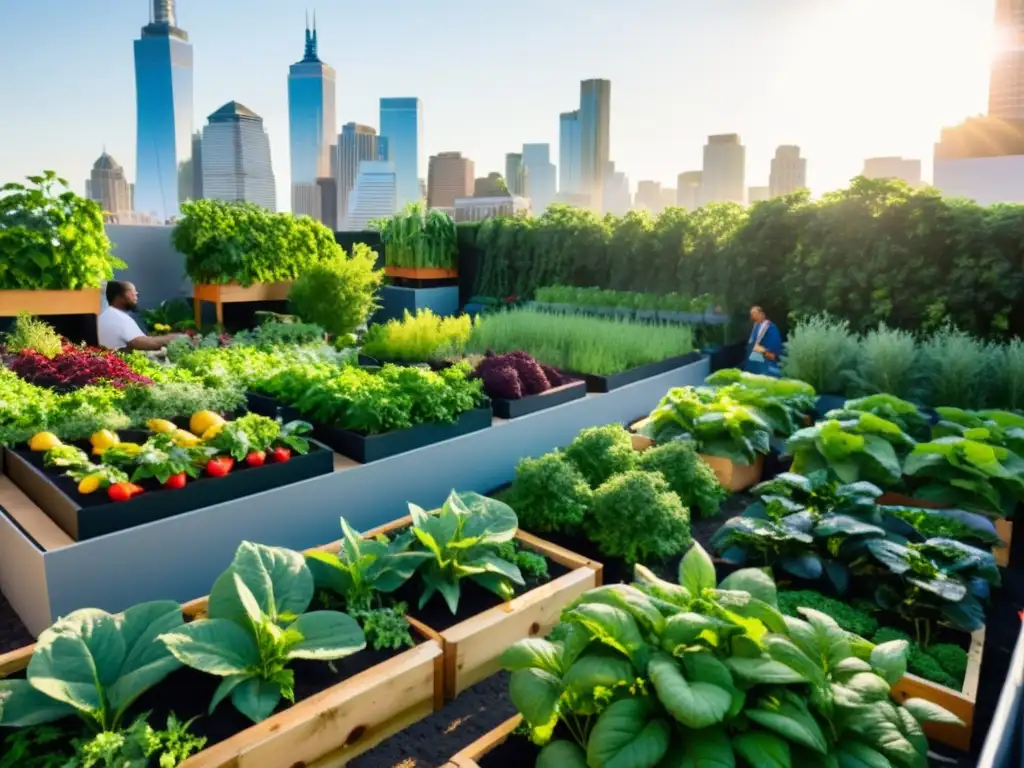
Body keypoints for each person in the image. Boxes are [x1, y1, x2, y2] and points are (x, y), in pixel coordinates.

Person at [98, 281, 183, 351]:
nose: (136, 297)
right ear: (119, 297)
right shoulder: (120, 319)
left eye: (136, 294)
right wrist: (175, 337)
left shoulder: (105, 316)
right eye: (132, 294)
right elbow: (147, 343)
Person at [744, 305, 782, 376]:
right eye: (752, 315)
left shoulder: (770, 328)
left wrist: (762, 351)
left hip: (767, 364)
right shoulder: (755, 326)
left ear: (762, 314)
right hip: (754, 363)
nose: (753, 317)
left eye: (755, 314)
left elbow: (774, 354)